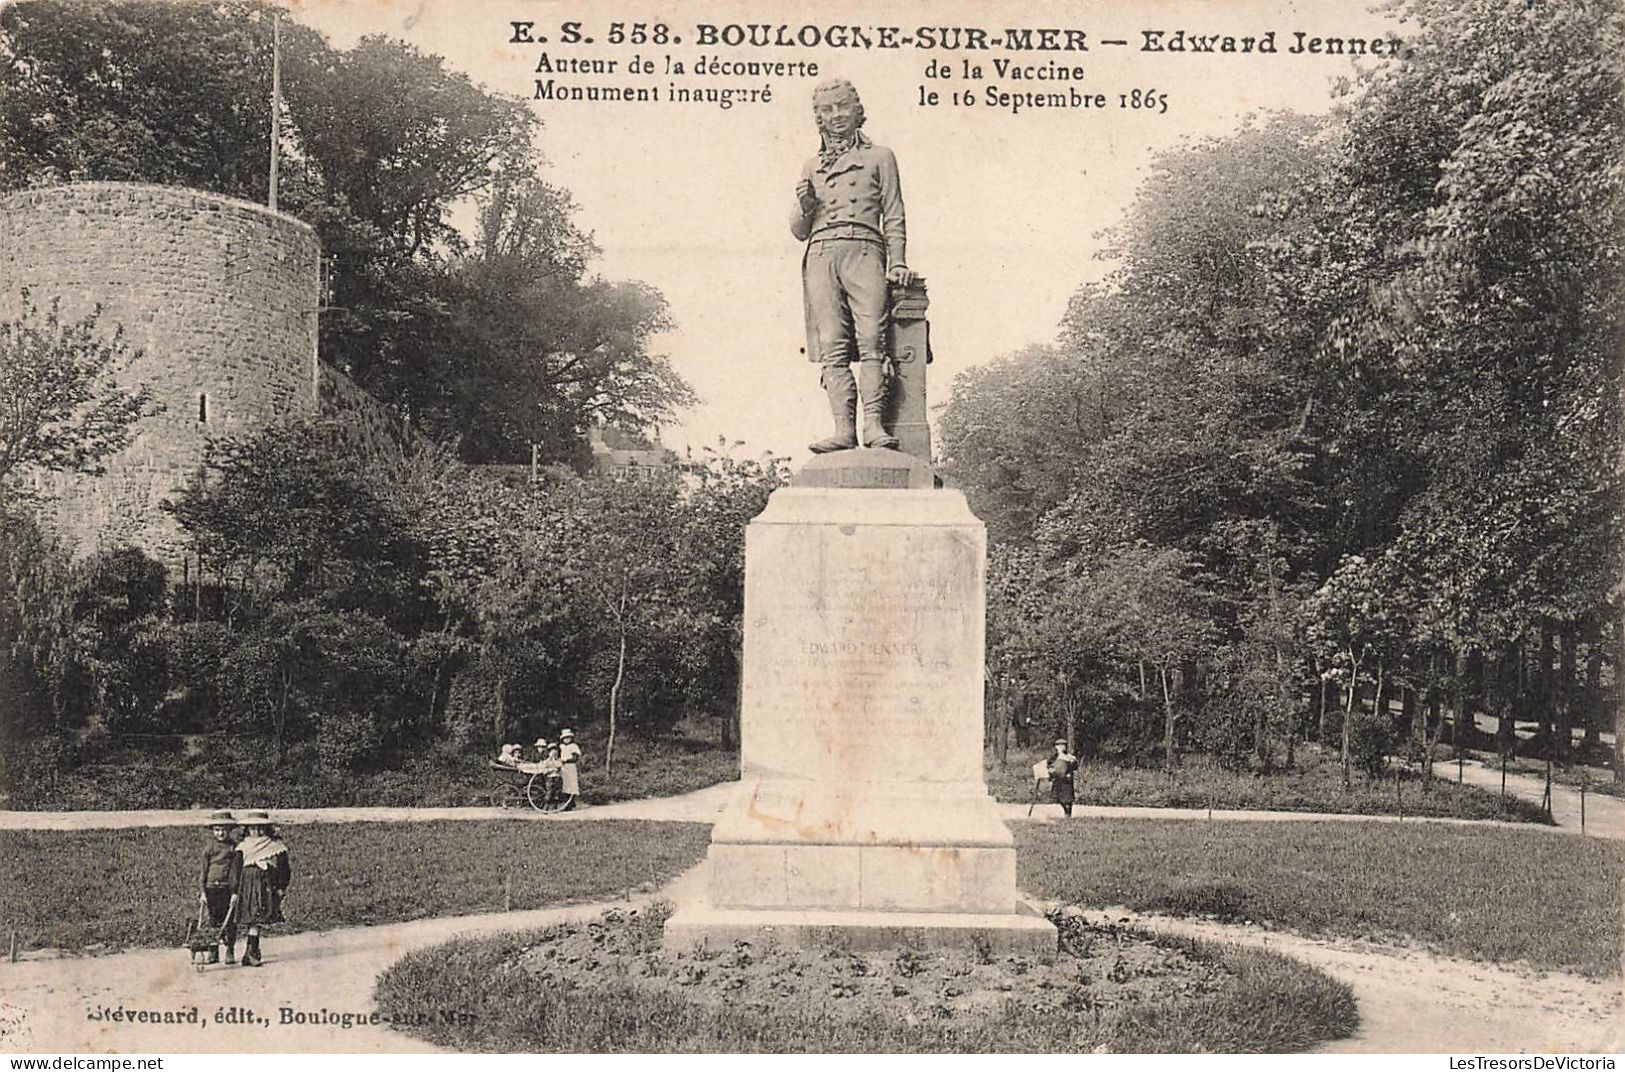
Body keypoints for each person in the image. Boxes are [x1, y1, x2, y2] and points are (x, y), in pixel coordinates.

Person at [792, 79, 915, 454]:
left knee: (872, 339)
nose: (836, 116)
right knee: (833, 344)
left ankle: (873, 425)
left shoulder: (881, 157)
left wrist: (897, 261)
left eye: (842, 107)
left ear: (857, 110)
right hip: (821, 253)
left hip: (864, 250)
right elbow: (798, 230)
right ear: (819, 119)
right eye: (827, 111)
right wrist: (806, 205)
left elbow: (893, 214)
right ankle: (843, 430)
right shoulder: (811, 165)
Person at [233, 810, 291, 967]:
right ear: (247, 829)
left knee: (256, 917)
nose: (256, 832)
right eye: (252, 828)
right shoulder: (243, 847)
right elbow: (236, 870)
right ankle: (251, 951)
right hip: (247, 885)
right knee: (250, 917)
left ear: (267, 829)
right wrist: (234, 890)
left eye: (260, 828)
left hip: (264, 886)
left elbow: (284, 869)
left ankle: (252, 951)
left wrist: (280, 886)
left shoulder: (275, 846)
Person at [197, 809, 241, 965]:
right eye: (217, 829)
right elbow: (203, 872)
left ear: (229, 830)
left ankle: (230, 950)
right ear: (213, 831)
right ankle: (213, 951)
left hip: (227, 889)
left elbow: (236, 872)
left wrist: (235, 892)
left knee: (229, 921)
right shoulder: (209, 849)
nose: (220, 833)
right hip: (211, 889)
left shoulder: (234, 848)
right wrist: (203, 892)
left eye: (223, 829)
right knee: (213, 921)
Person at [1047, 739, 1079, 818]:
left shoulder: (1070, 757)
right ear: (1056, 747)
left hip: (1067, 780)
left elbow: (1075, 768)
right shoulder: (1053, 757)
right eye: (1059, 746)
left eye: (1063, 745)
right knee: (1059, 798)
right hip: (1058, 780)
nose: (1061, 747)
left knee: (1068, 798)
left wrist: (1072, 763)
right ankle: (1065, 811)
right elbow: (1048, 766)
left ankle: (1068, 814)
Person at [558, 728, 582, 811]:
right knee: (565, 785)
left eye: (568, 738)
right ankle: (568, 803)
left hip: (570, 767)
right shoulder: (562, 747)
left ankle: (571, 802)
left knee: (571, 784)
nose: (566, 740)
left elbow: (575, 758)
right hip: (563, 768)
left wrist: (567, 760)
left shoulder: (573, 746)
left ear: (571, 738)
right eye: (565, 738)